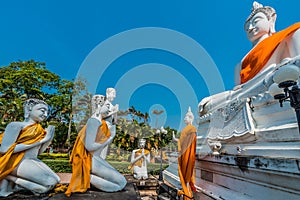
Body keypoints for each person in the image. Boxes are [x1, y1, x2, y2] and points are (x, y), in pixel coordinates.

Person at [65, 93, 126, 197]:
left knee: (122, 182)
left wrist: (111, 135)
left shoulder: (101, 122)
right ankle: (86, 177)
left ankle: (87, 177)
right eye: (107, 106)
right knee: (120, 183)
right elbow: (90, 146)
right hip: (88, 158)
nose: (109, 109)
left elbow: (100, 144)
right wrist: (110, 138)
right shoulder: (93, 121)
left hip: (96, 158)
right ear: (99, 105)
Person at [0, 98, 60, 197]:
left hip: (31, 160)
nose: (45, 115)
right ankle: (9, 175)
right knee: (50, 182)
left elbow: (39, 152)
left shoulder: (40, 130)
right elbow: (4, 150)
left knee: (56, 180)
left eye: (47, 112)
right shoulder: (16, 125)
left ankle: (10, 178)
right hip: (15, 162)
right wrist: (42, 141)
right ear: (30, 108)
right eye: (42, 110)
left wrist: (48, 139)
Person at [235, 1, 300, 85]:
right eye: (247, 27)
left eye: (256, 22)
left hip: (280, 82)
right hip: (249, 92)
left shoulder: (289, 34)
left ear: (271, 21)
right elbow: (237, 89)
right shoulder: (242, 62)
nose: (250, 28)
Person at [177, 107, 197, 200]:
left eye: (186, 117)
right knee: (183, 171)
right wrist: (176, 141)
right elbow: (182, 142)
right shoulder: (185, 129)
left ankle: (187, 190)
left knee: (188, 171)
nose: (185, 119)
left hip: (188, 153)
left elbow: (190, 142)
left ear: (191, 118)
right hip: (183, 153)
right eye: (185, 117)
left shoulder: (192, 129)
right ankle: (186, 189)